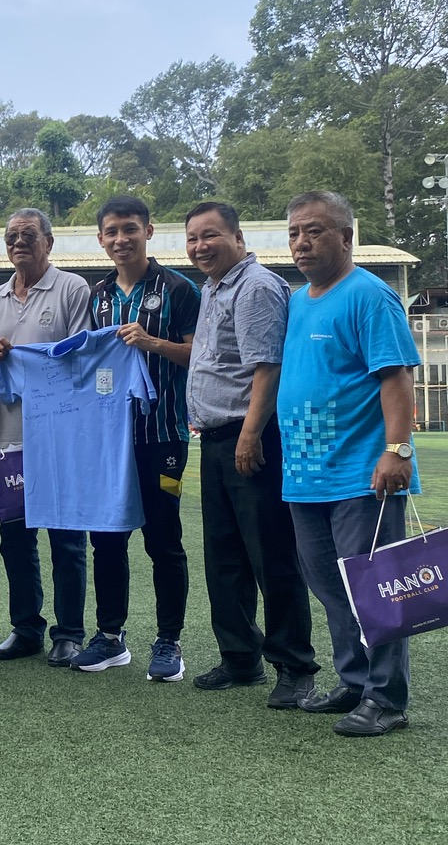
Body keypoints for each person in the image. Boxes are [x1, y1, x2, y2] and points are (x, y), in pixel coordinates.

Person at [278, 190, 420, 737]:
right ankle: (355, 681)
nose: (302, 242)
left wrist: (397, 450)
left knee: (375, 587)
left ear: (345, 237)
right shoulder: (299, 300)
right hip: (306, 476)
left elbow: (396, 376)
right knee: (330, 585)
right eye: (294, 233)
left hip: (363, 473)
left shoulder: (370, 296)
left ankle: (387, 700)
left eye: (314, 231)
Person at [184, 202, 318, 708]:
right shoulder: (213, 287)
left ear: (237, 237)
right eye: (194, 238)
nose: (200, 246)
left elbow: (268, 367)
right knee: (225, 556)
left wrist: (250, 434)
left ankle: (294, 666)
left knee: (271, 555)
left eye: (211, 235)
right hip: (217, 439)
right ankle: (240, 658)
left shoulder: (256, 285)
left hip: (251, 437)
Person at [73, 195, 198, 681]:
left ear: (149, 230)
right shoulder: (97, 294)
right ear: (100, 239)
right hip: (108, 443)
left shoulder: (180, 289)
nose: (120, 239)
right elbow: (85, 360)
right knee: (106, 539)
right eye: (111, 232)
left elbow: (199, 356)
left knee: (163, 540)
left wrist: (151, 343)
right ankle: (110, 637)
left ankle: (169, 641)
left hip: (162, 436)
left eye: (130, 229)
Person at [0, 208, 91, 666]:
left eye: (28, 235)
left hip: (61, 435)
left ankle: (69, 633)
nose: (19, 242)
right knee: (15, 538)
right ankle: (26, 627)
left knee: (67, 538)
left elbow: (81, 358)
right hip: (9, 434)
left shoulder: (72, 288)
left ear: (50, 241)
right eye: (11, 237)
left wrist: (29, 356)